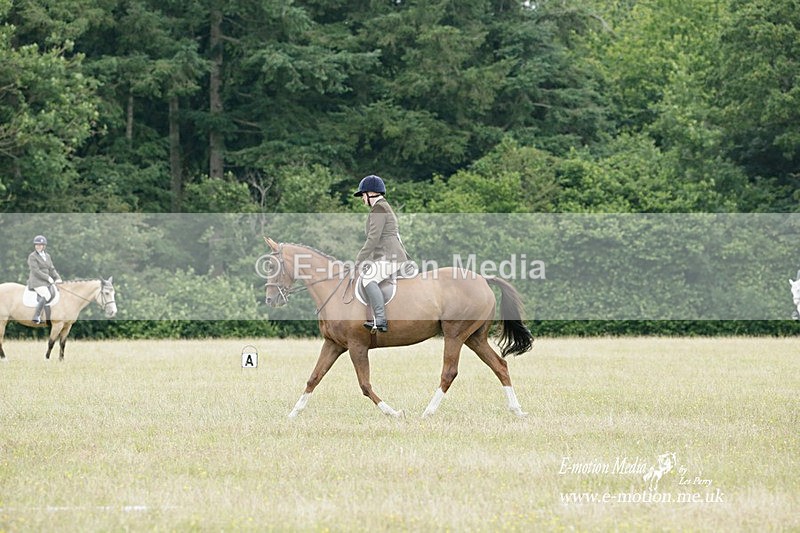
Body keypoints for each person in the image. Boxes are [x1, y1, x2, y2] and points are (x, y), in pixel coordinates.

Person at [353, 175, 409, 332]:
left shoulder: (379, 209)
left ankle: (380, 319)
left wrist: (359, 259)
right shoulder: (383, 207)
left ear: (370, 193)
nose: (362, 199)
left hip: (390, 256)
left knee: (368, 279)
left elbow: (373, 239)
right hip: (386, 255)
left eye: (362, 195)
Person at [27, 235, 62, 324]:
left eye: (40, 245)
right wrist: (48, 278)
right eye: (37, 245)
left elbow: (52, 269)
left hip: (45, 282)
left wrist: (57, 278)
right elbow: (36, 271)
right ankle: (36, 316)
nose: (38, 246)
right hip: (36, 281)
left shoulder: (47, 256)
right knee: (47, 294)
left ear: (44, 246)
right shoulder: (32, 256)